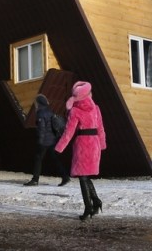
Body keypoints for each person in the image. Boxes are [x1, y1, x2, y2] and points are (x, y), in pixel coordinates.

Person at [54, 81, 106, 220]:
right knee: (85, 175)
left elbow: (68, 132)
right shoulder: (96, 108)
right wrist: (101, 144)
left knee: (83, 176)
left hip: (83, 145)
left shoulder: (75, 111)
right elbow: (101, 128)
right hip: (94, 144)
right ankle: (96, 202)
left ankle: (88, 207)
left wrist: (59, 147)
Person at [24, 94, 71, 187]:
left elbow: (42, 128)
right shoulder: (49, 111)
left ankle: (35, 180)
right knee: (55, 159)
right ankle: (65, 176)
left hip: (44, 141)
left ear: (39, 103)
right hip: (52, 139)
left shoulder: (40, 113)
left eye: (36, 103)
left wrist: (40, 141)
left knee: (38, 159)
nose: (35, 105)